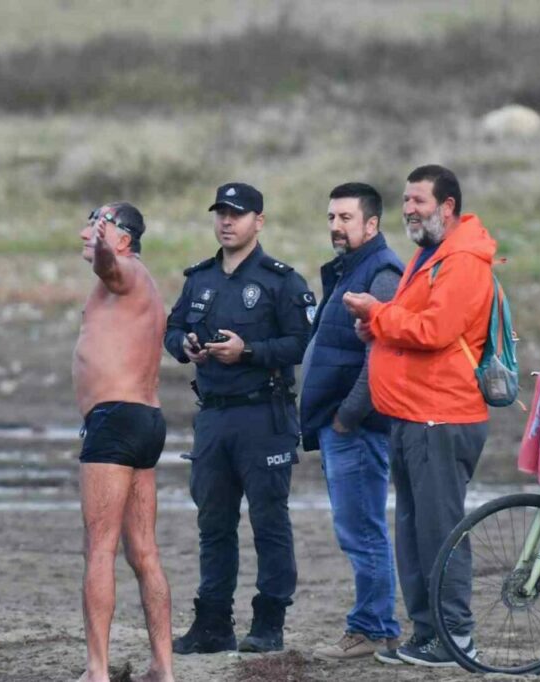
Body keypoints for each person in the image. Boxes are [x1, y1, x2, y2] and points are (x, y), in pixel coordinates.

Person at [343, 165, 496, 667]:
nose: (408, 209)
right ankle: (428, 633)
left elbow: (435, 330)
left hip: (443, 417)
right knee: (413, 532)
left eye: (419, 201)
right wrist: (378, 327)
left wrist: (377, 313)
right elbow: (414, 323)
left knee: (439, 531)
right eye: (406, 200)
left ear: (447, 206)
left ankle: (456, 637)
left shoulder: (463, 260)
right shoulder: (430, 254)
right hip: (413, 415)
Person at [164, 182, 315, 654]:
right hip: (213, 417)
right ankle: (213, 624)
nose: (227, 222)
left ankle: (269, 623)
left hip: (263, 415)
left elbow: (300, 343)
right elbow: (172, 327)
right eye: (221, 213)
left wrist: (247, 351)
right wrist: (185, 346)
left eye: (238, 214)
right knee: (213, 523)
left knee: (269, 521)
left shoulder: (281, 281)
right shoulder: (200, 278)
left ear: (259, 221)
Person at [299, 183, 404, 661]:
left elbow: (380, 357)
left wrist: (346, 417)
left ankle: (372, 629)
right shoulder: (350, 270)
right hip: (338, 423)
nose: (336, 227)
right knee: (358, 529)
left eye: (345, 218)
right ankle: (377, 626)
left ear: (372, 224)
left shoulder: (380, 274)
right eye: (331, 218)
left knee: (363, 532)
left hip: (356, 428)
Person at [73, 202, 174, 682]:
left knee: (99, 548)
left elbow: (108, 265)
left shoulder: (126, 271)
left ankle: (96, 671)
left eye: (98, 226)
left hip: (115, 420)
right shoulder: (140, 283)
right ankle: (162, 668)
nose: (86, 234)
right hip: (145, 421)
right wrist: (101, 243)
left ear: (124, 239)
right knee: (144, 552)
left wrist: (103, 250)